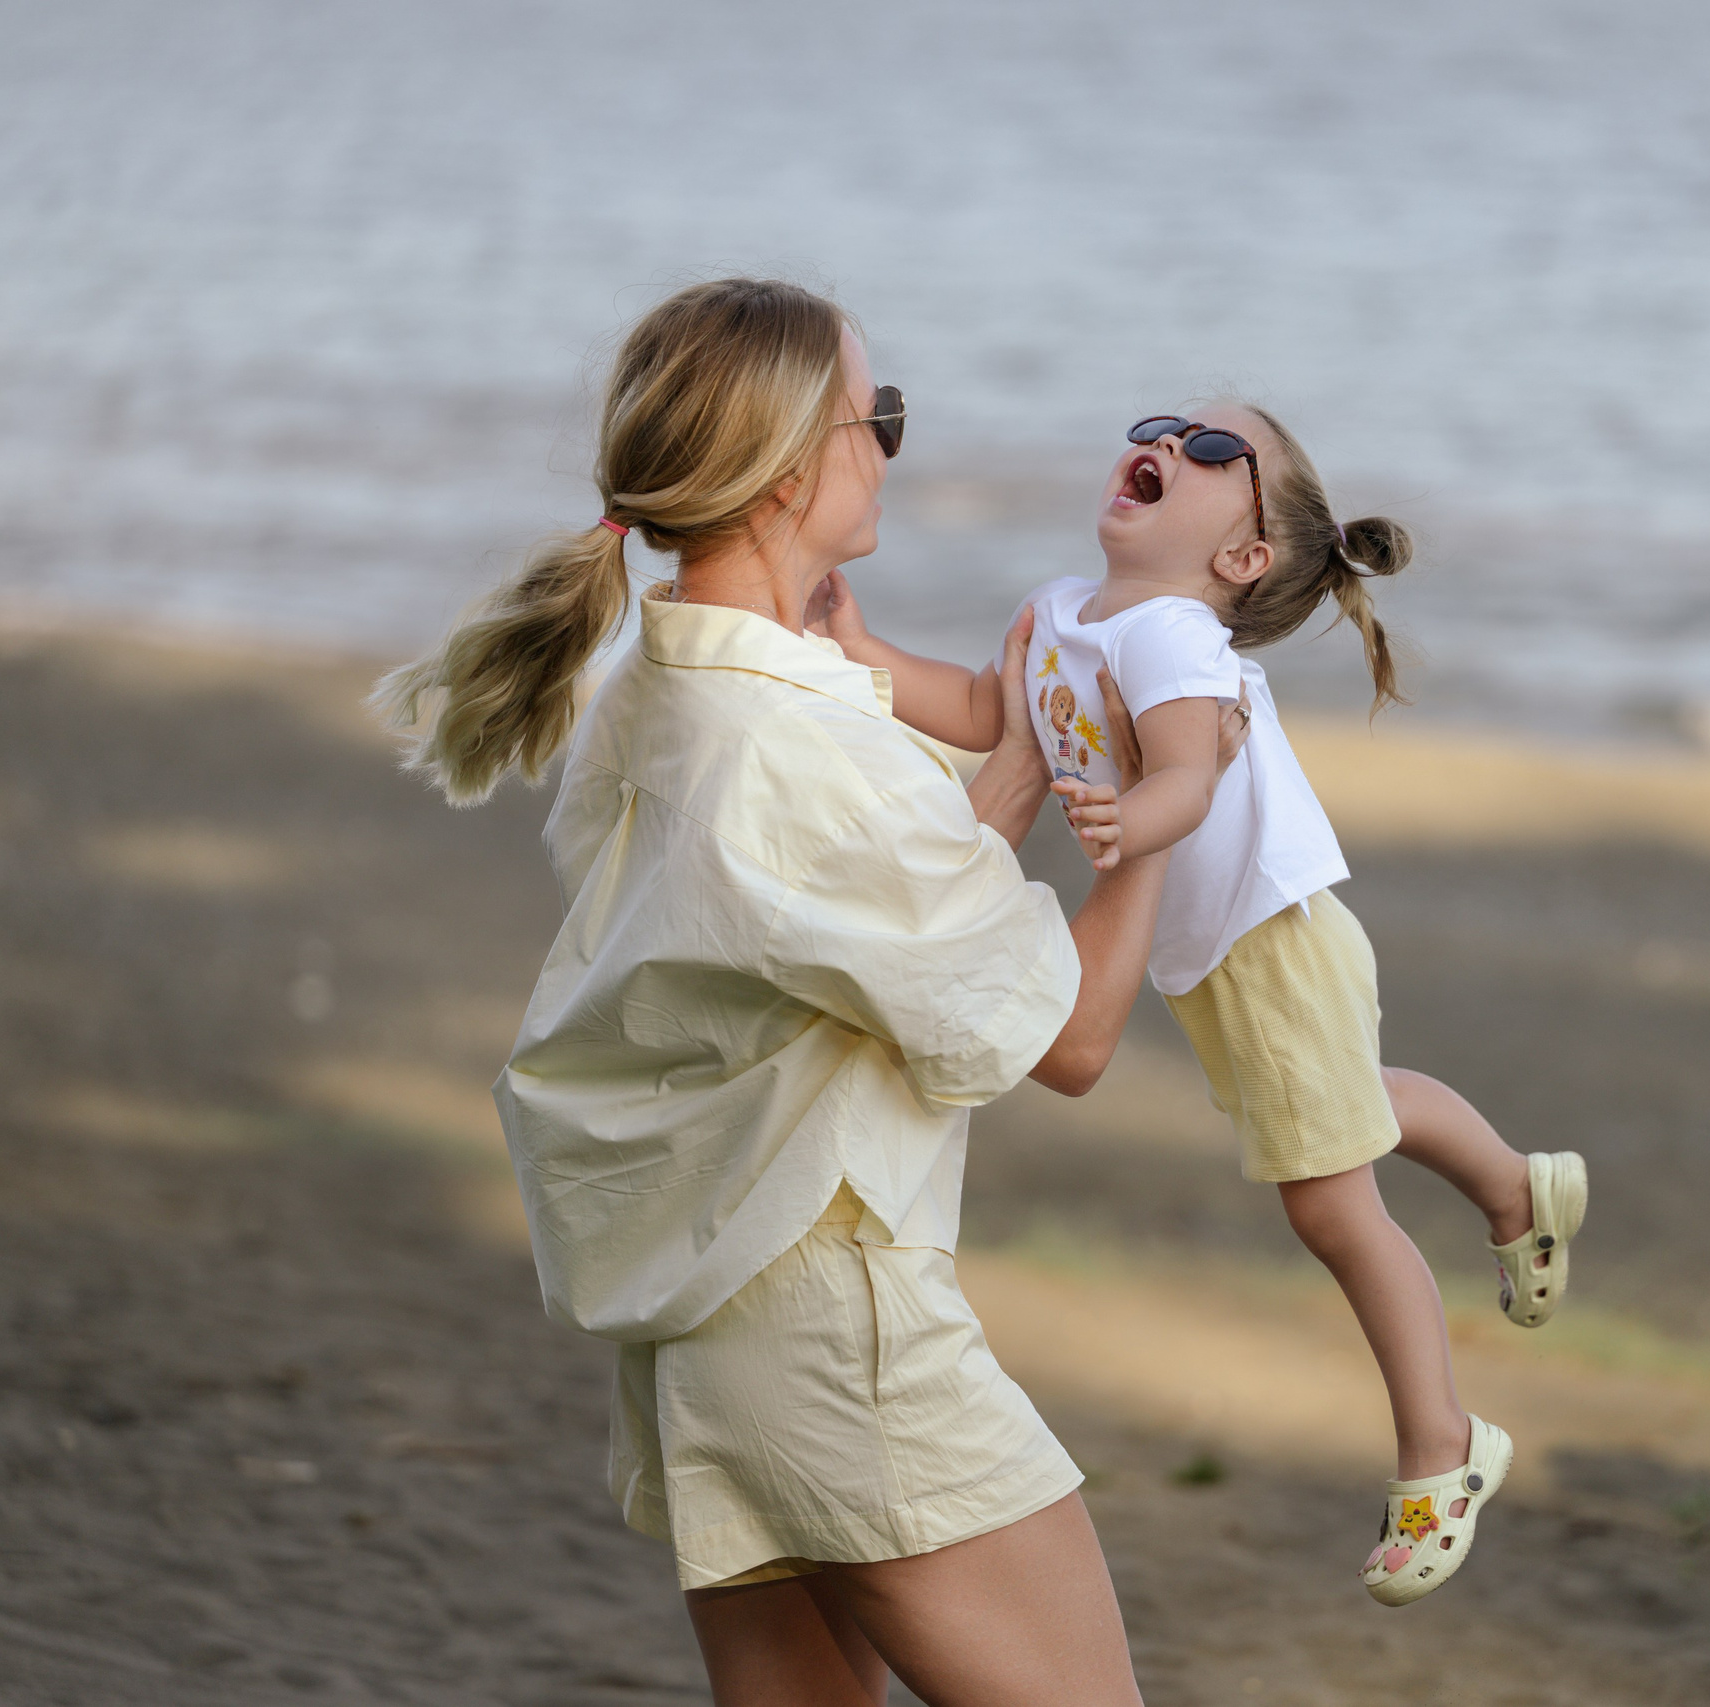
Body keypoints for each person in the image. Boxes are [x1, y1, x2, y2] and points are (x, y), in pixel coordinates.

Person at [376, 278, 1217, 1704]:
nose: (888, 446)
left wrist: (997, 775)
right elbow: (1067, 1037)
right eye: (875, 418)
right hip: (832, 1319)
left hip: (713, 1322)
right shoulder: (802, 748)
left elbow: (818, 921)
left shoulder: (655, 679)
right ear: (783, 469)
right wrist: (1148, 813)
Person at [813, 402, 1591, 1608]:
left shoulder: (1173, 634)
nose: (1171, 445)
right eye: (1165, 426)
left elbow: (1187, 770)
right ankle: (1510, 1185)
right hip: (1221, 952)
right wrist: (863, 648)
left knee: (1329, 1202)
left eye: (1217, 452)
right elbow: (982, 712)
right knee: (1344, 1112)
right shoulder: (1063, 608)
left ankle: (1441, 1443)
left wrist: (1132, 824)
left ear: (1243, 559)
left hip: (1268, 938)